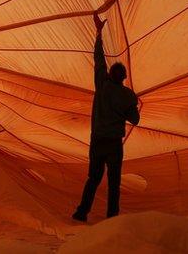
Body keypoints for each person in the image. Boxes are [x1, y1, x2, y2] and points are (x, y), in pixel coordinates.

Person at [72, 13, 140, 223]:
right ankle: (112, 218)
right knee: (113, 182)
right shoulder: (128, 95)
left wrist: (99, 33)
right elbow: (135, 120)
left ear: (110, 73)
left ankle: (82, 212)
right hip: (113, 143)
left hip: (98, 140)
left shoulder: (102, 83)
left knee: (93, 178)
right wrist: (132, 104)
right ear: (124, 78)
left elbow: (98, 58)